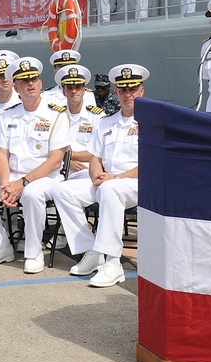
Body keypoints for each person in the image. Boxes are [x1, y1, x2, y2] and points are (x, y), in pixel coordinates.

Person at [0, 57, 70, 274]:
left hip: (46, 178)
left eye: (34, 79)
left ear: (41, 83)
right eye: (24, 81)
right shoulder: (7, 115)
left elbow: (55, 160)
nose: (30, 84)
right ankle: (0, 247)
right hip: (12, 176)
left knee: (32, 194)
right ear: (16, 87)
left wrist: (22, 183)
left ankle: (33, 253)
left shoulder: (56, 115)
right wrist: (6, 184)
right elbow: (2, 154)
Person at [54, 63, 147, 287]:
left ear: (141, 90)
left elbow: (150, 163)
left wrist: (114, 179)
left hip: (137, 183)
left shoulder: (151, 123)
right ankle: (91, 251)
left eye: (132, 89)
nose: (128, 94)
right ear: (116, 93)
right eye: (123, 90)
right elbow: (96, 156)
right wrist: (96, 175)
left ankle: (113, 263)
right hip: (107, 182)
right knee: (62, 190)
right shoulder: (107, 122)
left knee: (109, 189)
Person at [54, 64, 105, 184]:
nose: (74, 91)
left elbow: (97, 153)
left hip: (85, 169)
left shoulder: (97, 116)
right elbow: (46, 149)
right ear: (63, 91)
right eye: (69, 87)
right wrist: (67, 162)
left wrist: (65, 156)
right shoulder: (55, 116)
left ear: (84, 91)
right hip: (57, 167)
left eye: (77, 87)